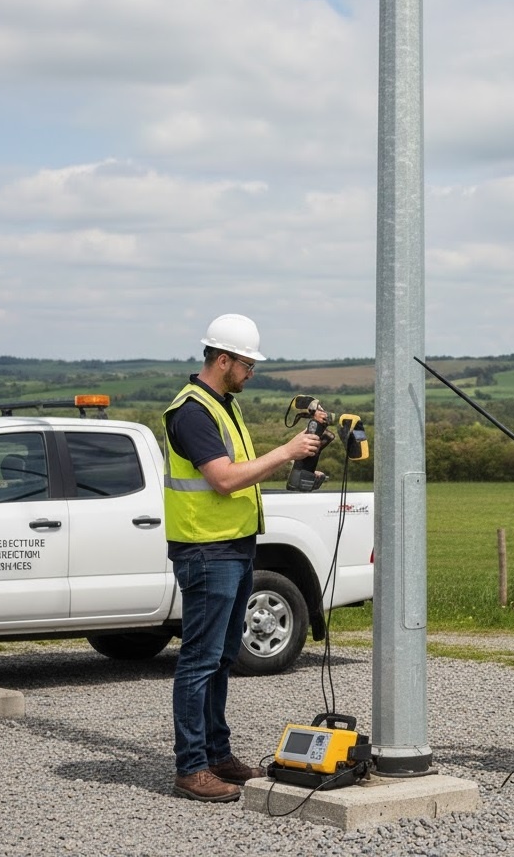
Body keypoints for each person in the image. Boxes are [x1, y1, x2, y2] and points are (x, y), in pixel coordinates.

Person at [164, 313, 323, 802]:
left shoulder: (221, 405)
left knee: (220, 658)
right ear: (224, 359)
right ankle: (192, 768)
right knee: (200, 660)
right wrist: (288, 450)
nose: (252, 371)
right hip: (206, 550)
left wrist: (297, 458)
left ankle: (217, 754)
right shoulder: (192, 411)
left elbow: (238, 474)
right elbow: (226, 478)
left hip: (232, 546)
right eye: (248, 363)